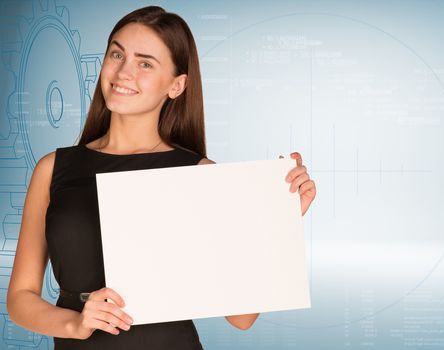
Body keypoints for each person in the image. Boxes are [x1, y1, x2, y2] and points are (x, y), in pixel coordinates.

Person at [6, 5, 316, 349]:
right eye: (116, 54)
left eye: (145, 63)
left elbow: (241, 318)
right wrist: (75, 323)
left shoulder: (199, 174)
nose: (124, 71)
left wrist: (281, 222)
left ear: (177, 85)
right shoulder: (53, 168)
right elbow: (20, 297)